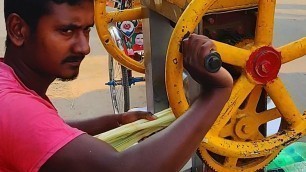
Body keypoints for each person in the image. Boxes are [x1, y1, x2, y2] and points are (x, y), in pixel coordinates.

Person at [0, 0, 233, 172]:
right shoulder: (13, 107)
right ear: (18, 30)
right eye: (66, 31)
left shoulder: (8, 80)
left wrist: (118, 120)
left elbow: (51, 131)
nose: (84, 48)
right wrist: (217, 93)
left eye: (87, 30)